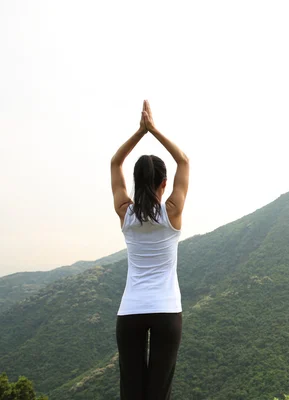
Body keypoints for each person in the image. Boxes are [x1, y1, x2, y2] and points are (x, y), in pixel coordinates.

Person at [110, 100, 189, 400]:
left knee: (131, 391)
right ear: (164, 183)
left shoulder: (125, 213)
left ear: (135, 181)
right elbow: (184, 161)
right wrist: (153, 130)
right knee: (159, 393)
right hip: (167, 311)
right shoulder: (172, 211)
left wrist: (139, 133)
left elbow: (115, 163)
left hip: (130, 311)